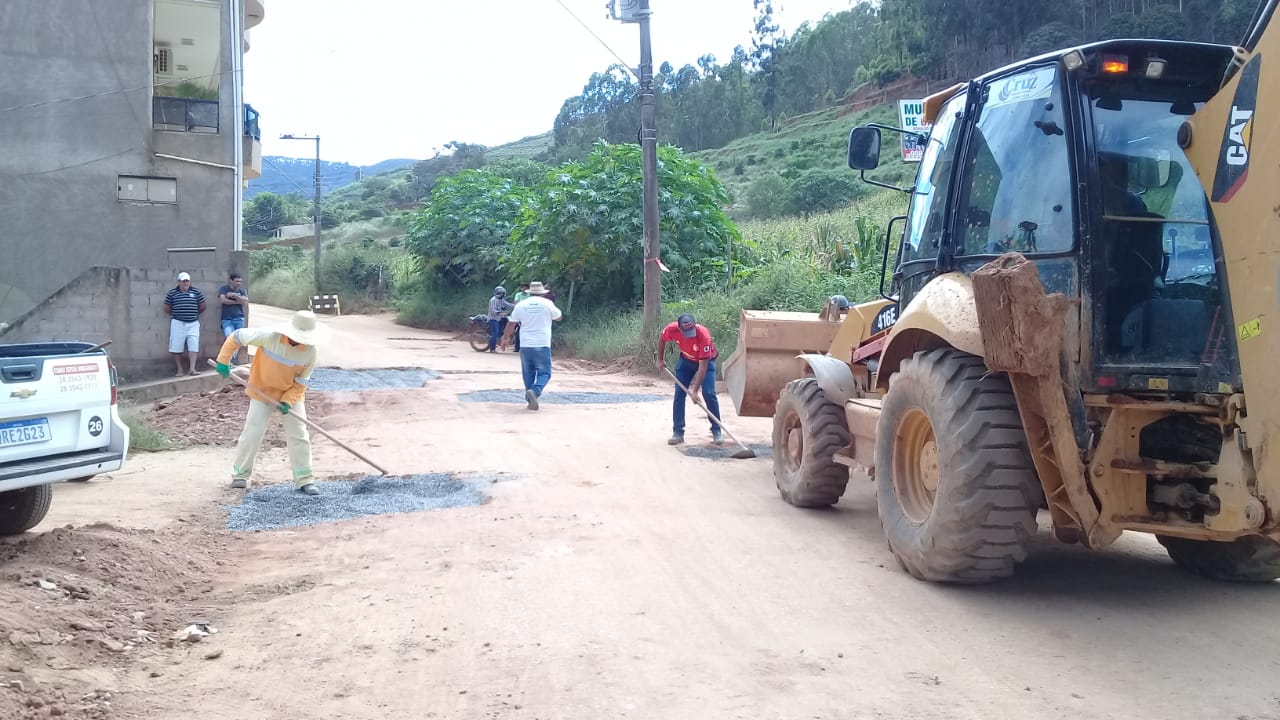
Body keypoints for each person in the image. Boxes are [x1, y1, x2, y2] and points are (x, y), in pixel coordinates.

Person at [214, 310, 328, 495]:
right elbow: (236, 336)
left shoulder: (310, 352)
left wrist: (287, 401)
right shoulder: (269, 337)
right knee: (253, 431)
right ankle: (240, 475)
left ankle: (304, 479)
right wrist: (223, 360)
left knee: (299, 434)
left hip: (289, 394)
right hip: (262, 391)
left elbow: (301, 383)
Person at [658, 313, 722, 446]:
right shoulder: (672, 329)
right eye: (686, 331)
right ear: (680, 329)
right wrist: (660, 359)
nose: (690, 334)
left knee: (709, 393)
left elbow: (702, 367)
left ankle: (717, 431)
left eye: (691, 330)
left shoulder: (703, 334)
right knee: (679, 394)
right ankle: (678, 432)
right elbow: (662, 338)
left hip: (705, 362)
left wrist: (695, 391)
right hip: (685, 361)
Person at [499, 281, 562, 411]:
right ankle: (535, 390)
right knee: (545, 372)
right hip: (542, 344)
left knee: (528, 373)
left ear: (529, 292)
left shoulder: (521, 305)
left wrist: (505, 338)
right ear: (543, 293)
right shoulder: (547, 304)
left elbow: (511, 324)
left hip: (525, 345)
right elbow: (559, 317)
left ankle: (530, 400)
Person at [164, 271, 206, 377]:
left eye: (187, 281)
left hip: (193, 323)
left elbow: (203, 306)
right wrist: (178, 315)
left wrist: (193, 314)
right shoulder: (172, 293)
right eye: (183, 281)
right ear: (178, 282)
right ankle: (179, 370)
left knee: (194, 345)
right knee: (176, 347)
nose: (185, 283)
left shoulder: (196, 292)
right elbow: (167, 308)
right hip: (178, 323)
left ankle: (192, 369)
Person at [218, 273, 250, 365]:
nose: (239, 283)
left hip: (239, 319)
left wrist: (235, 296)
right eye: (237, 281)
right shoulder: (224, 289)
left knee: (238, 340)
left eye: (240, 281)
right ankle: (228, 360)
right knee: (230, 338)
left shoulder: (242, 291)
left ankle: (231, 360)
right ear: (231, 281)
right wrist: (238, 301)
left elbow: (245, 302)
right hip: (227, 319)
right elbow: (223, 300)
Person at [486, 286, 514, 353]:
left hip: (499, 318)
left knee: (501, 330)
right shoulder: (493, 300)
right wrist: (500, 313)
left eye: (503, 294)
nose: (502, 295)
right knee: (495, 333)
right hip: (493, 318)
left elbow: (508, 305)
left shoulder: (501, 300)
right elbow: (493, 310)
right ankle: (492, 349)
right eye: (500, 293)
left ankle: (497, 340)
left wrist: (517, 306)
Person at [510, 284, 531, 352]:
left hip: (528, 315)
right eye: (523, 288)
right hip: (520, 315)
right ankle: (517, 347)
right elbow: (516, 303)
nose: (524, 289)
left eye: (525, 288)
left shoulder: (530, 295)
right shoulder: (518, 295)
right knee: (517, 332)